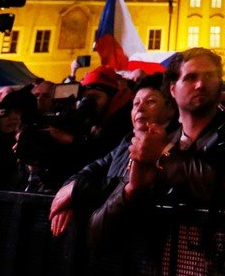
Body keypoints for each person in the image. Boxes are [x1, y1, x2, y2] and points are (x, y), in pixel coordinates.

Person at [87, 48, 225, 248]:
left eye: (209, 75)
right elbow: (97, 233)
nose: (200, 84)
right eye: (190, 77)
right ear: (172, 89)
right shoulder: (159, 142)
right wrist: (132, 190)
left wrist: (165, 156)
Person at [48, 76, 177, 237]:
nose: (140, 108)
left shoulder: (173, 147)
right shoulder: (124, 144)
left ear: (170, 109)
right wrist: (69, 197)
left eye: (150, 102)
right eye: (136, 103)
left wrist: (77, 191)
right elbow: (87, 171)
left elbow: (130, 186)